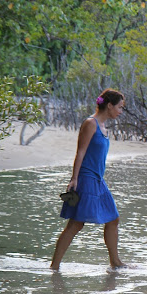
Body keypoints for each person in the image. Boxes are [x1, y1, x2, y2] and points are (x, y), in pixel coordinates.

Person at [50, 89, 127, 271]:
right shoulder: (90, 123)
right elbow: (81, 152)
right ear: (109, 106)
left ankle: (115, 263)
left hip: (98, 180)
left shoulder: (103, 127)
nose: (121, 111)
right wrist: (74, 178)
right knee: (76, 224)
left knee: (113, 219)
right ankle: (54, 266)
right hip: (86, 178)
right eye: (120, 107)